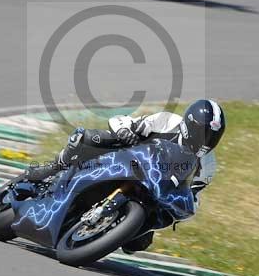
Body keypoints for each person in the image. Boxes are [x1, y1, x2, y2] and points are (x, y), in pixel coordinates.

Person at [16, 99, 226, 253]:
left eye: (213, 137)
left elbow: (193, 195)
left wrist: (186, 206)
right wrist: (126, 130)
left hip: (154, 189)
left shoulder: (208, 166)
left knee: (137, 244)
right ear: (190, 125)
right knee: (88, 138)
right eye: (204, 133)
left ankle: (97, 231)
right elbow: (121, 121)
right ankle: (54, 166)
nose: (207, 140)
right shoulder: (167, 121)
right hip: (127, 158)